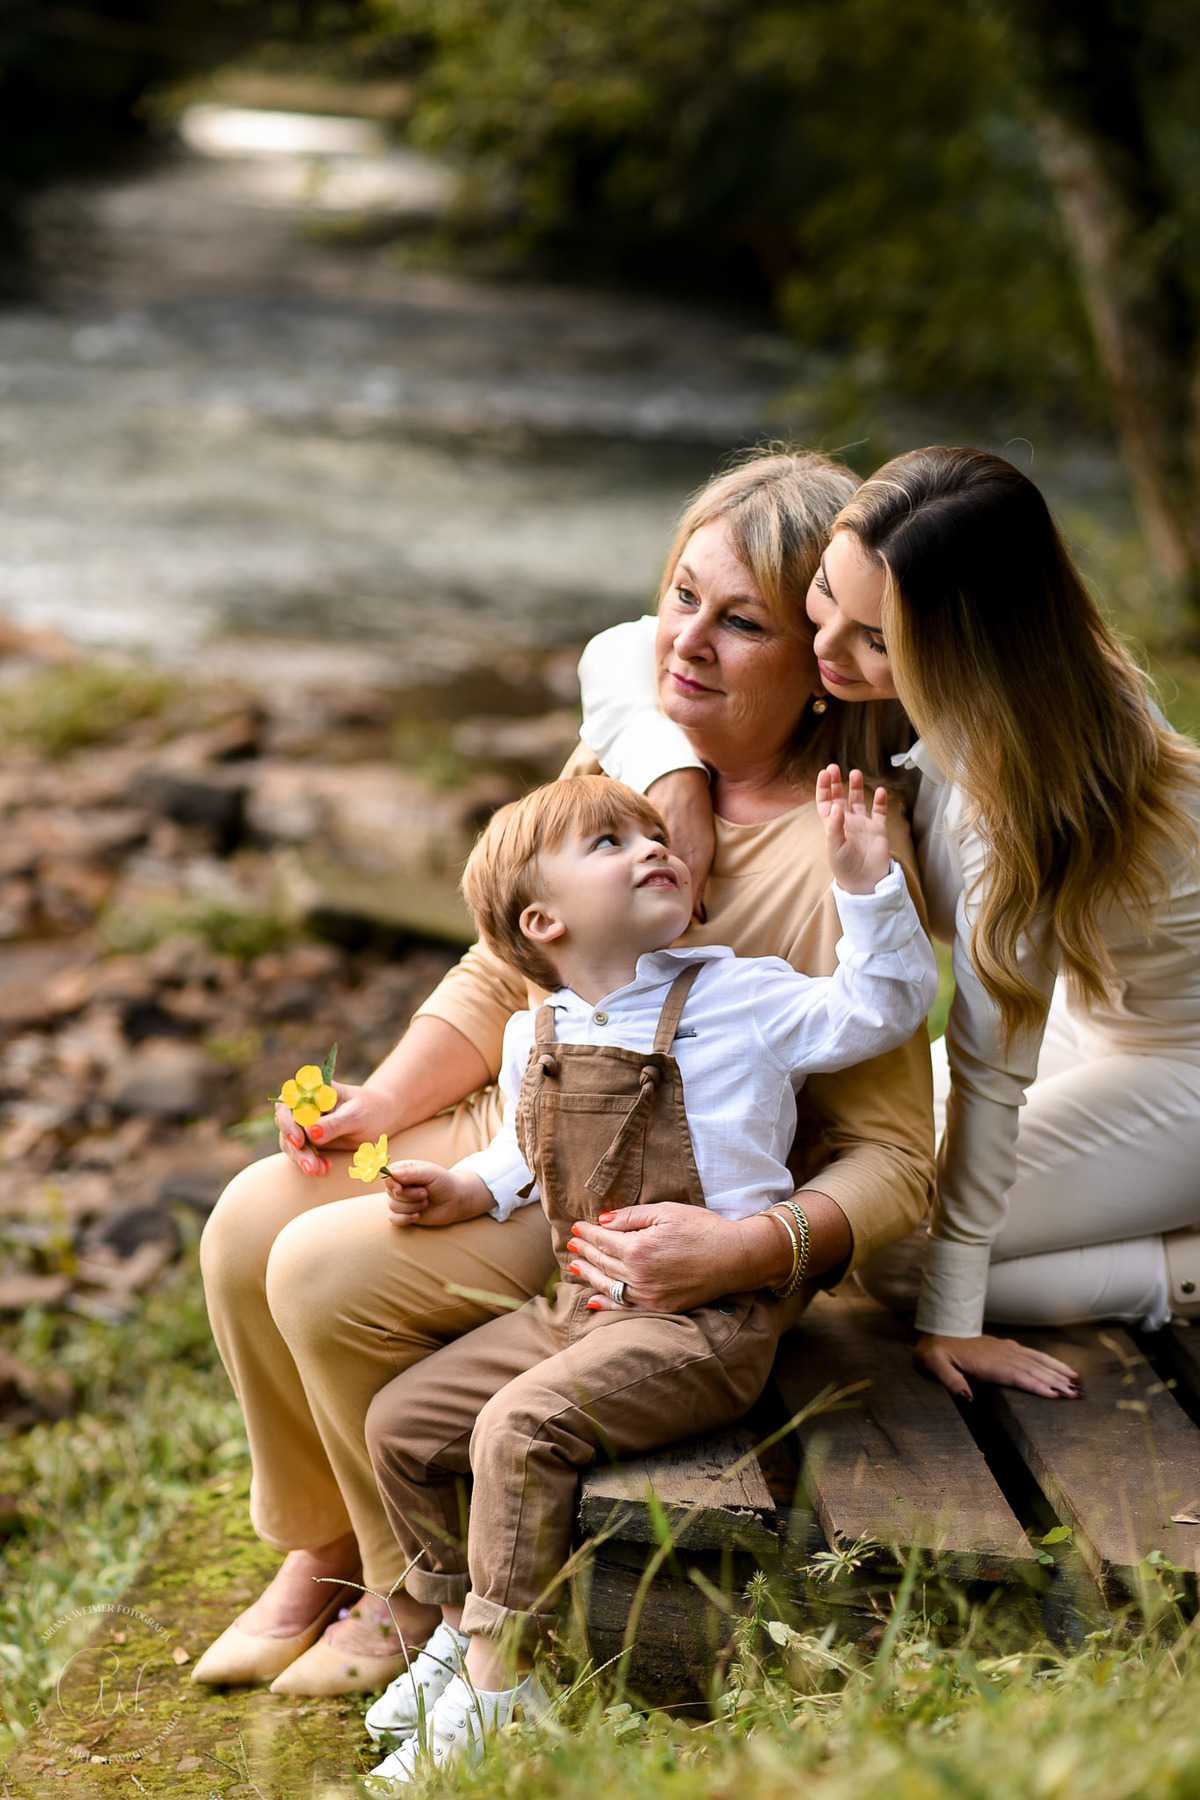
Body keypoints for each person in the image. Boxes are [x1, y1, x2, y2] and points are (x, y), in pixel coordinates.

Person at [192, 449, 936, 1696]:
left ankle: (409, 1592)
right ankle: (327, 1542)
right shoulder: (634, 755)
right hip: (527, 1116)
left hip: (653, 1188)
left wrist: (750, 1249)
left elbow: (898, 1158)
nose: (686, 641)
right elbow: (503, 969)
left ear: (822, 653)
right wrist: (381, 1106)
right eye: (682, 597)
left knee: (322, 1268)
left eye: (742, 622)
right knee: (248, 1218)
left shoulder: (839, 850)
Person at [578, 445, 1200, 1403]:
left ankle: (1183, 1272)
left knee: (902, 1258)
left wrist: (953, 1319)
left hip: (1178, 1061)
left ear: (962, 648)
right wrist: (677, 776)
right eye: (824, 596)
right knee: (852, 1180)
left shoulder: (1011, 797)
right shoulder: (941, 676)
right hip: (1093, 1024)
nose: (825, 649)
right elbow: (622, 648)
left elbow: (992, 1068)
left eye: (874, 639)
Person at [358, 770, 935, 1784]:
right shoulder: (532, 1033)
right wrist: (459, 1188)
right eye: (610, 843)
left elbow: (881, 1009)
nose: (653, 847)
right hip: (579, 1307)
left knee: (517, 1429)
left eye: (649, 833)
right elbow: (527, 1152)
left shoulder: (742, 994)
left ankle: (502, 1692)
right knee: (401, 1424)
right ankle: (455, 1632)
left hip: (706, 1323)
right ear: (543, 922)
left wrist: (865, 889)